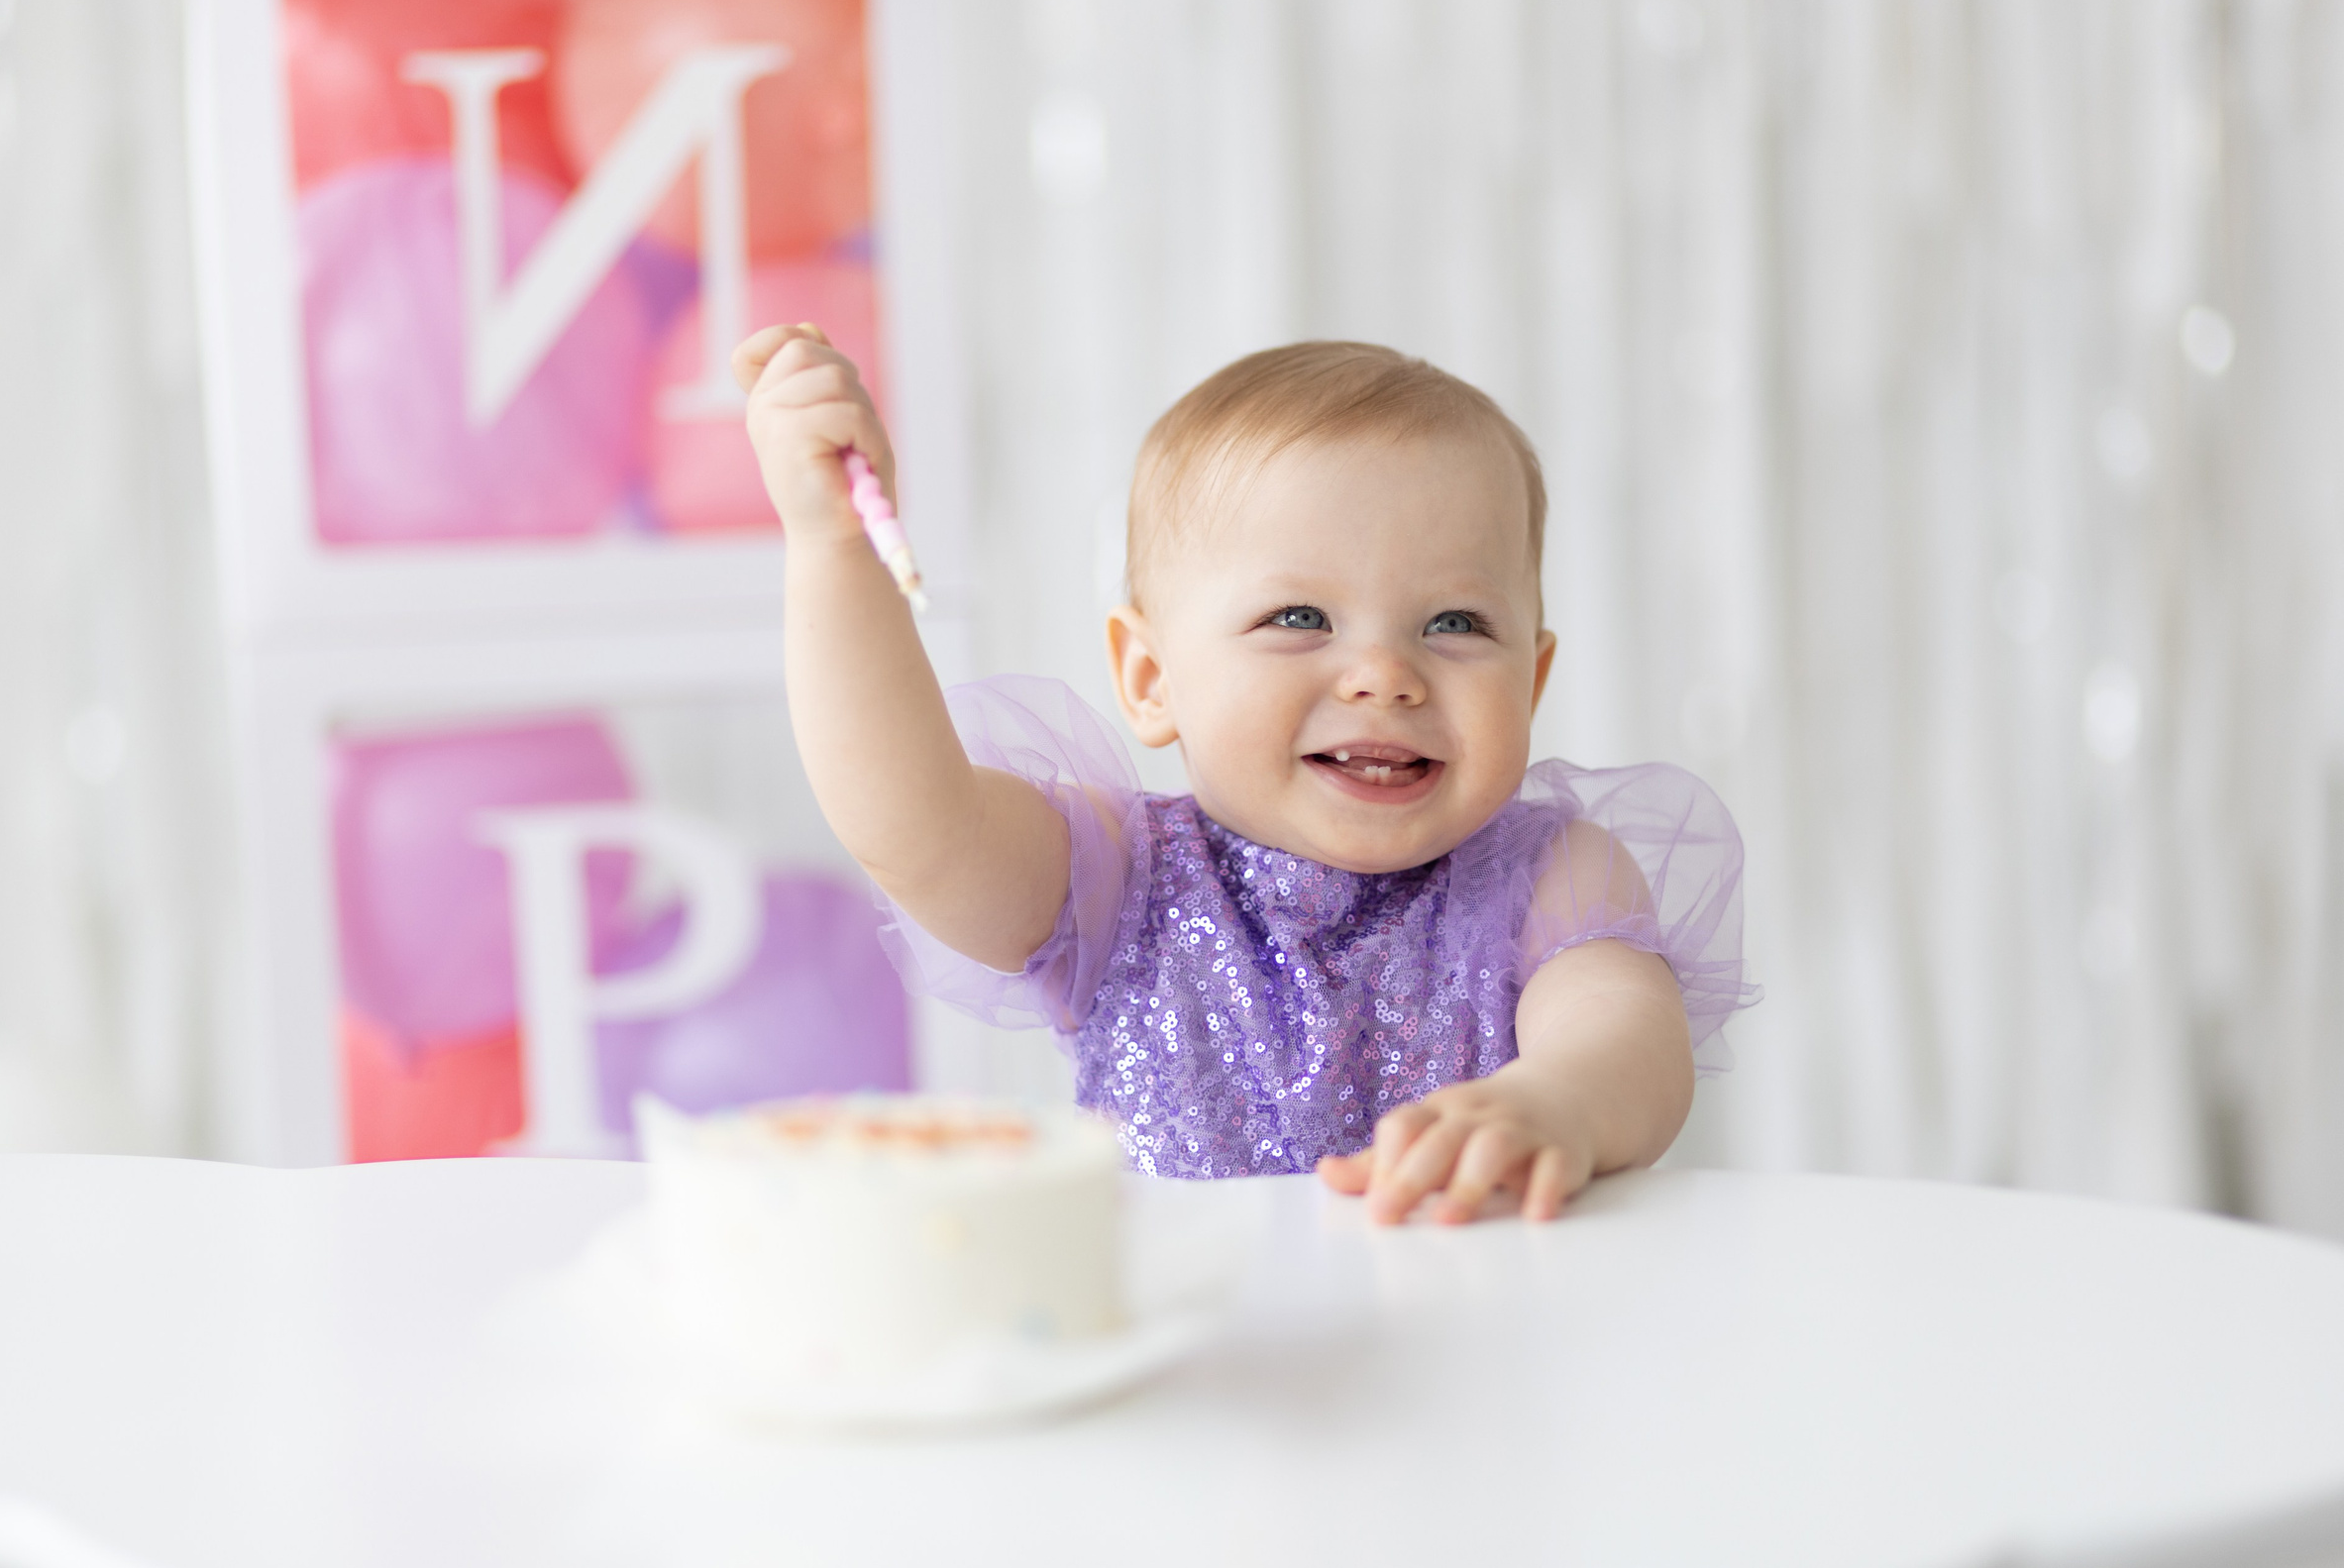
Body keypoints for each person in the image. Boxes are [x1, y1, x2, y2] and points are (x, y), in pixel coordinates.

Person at [732, 326, 1757, 1225]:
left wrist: (1558, 1102)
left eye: (1455, 623)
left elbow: (1628, 1039)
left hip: (1487, 1331)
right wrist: (832, 549)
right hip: (1201, 1348)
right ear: (1152, 678)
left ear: (1530, 681)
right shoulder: (1119, 879)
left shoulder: (1552, 874)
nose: (1384, 674)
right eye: (1299, 618)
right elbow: (913, 824)